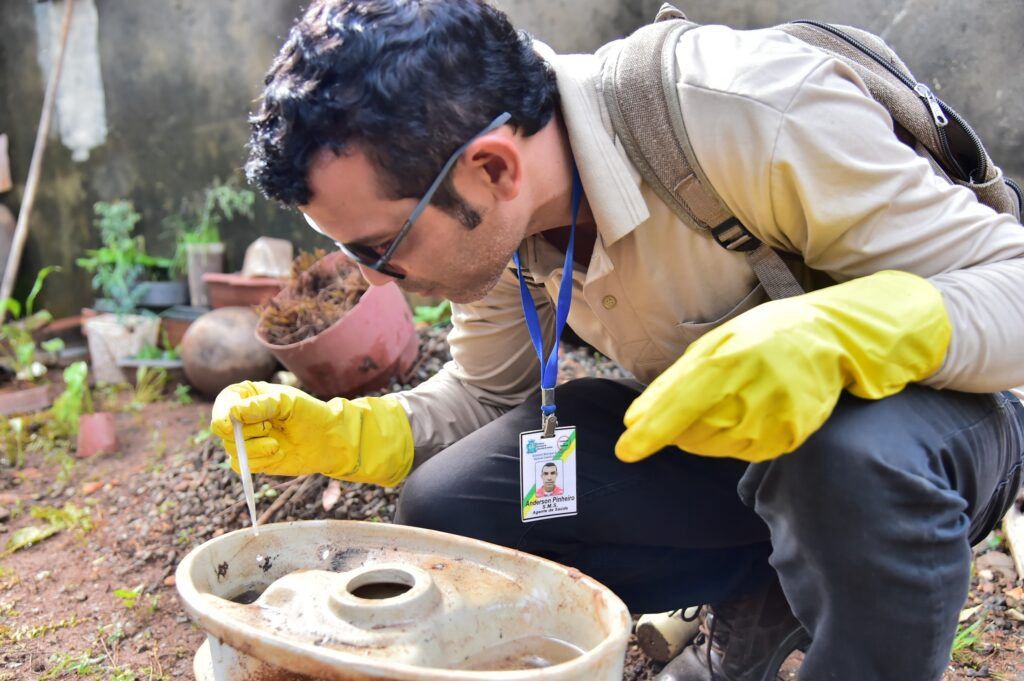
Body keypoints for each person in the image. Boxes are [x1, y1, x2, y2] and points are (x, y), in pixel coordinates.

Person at [211, 1, 1024, 678]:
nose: (378, 281)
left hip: (934, 436)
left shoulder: (747, 111)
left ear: (492, 169)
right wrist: (362, 434)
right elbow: (486, 390)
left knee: (843, 458)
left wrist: (845, 333)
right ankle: (765, 592)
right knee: (456, 503)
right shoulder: (498, 223)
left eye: (382, 246)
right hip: (741, 456)